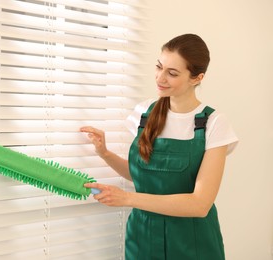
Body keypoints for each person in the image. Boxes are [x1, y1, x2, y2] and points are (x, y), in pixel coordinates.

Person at [80, 34, 238, 260]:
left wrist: (127, 198)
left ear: (197, 78)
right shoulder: (143, 114)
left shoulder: (214, 123)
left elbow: (200, 204)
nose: (160, 78)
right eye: (159, 67)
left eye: (172, 73)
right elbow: (143, 176)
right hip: (142, 236)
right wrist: (104, 154)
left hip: (192, 240)